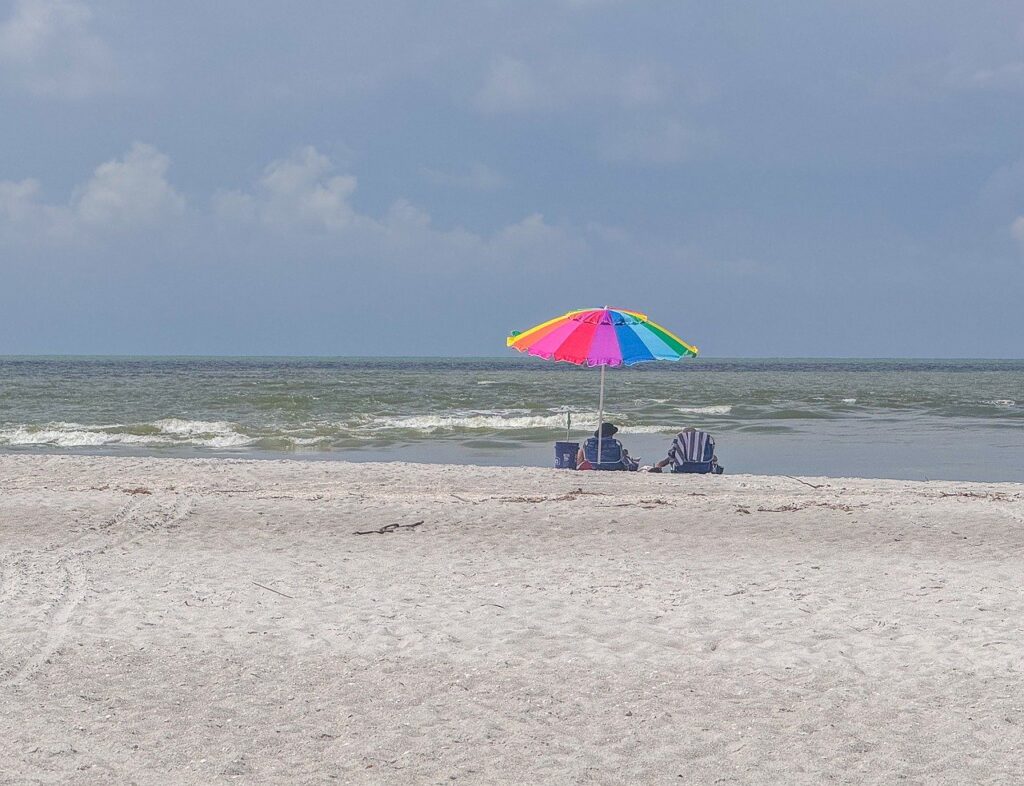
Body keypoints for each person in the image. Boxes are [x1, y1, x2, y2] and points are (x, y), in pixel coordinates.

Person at [648, 427, 724, 474]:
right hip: (703, 469)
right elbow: (714, 458)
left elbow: (670, 458)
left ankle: (658, 466)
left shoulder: (681, 449)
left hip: (683, 468)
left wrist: (659, 465)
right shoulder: (702, 450)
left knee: (670, 459)